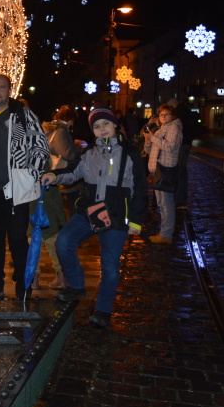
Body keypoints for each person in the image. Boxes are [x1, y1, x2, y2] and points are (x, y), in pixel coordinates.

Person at [41, 106, 148, 329]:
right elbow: (72, 172)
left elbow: (140, 188)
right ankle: (76, 285)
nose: (102, 129)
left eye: (106, 124)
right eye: (97, 126)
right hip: (90, 210)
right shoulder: (88, 153)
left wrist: (135, 220)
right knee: (64, 241)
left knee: (110, 266)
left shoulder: (129, 153)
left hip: (117, 214)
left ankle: (103, 310)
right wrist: (53, 175)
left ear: (115, 125)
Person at [0, 73, 49, 300]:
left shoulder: (23, 115)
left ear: (9, 90)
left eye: (2, 87)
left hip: (16, 191)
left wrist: (30, 175)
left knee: (17, 240)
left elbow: (40, 147)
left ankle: (23, 287)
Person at [38, 105, 79, 289]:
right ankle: (61, 275)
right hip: (56, 178)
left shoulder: (46, 130)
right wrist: (78, 150)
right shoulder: (60, 132)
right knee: (51, 237)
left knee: (35, 241)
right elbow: (68, 154)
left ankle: (34, 279)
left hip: (45, 182)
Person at [143, 104, 182, 244]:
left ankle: (166, 234)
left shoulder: (174, 128)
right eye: (161, 114)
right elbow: (151, 151)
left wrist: (153, 138)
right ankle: (164, 232)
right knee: (161, 204)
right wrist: (148, 141)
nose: (164, 116)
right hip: (157, 171)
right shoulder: (161, 129)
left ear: (173, 116)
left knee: (166, 204)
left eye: (167, 114)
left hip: (165, 170)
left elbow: (170, 147)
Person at [171, 99, 198, 208]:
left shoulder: (178, 114)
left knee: (179, 170)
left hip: (181, 143)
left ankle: (179, 198)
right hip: (187, 142)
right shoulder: (187, 111)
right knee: (182, 170)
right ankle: (181, 198)